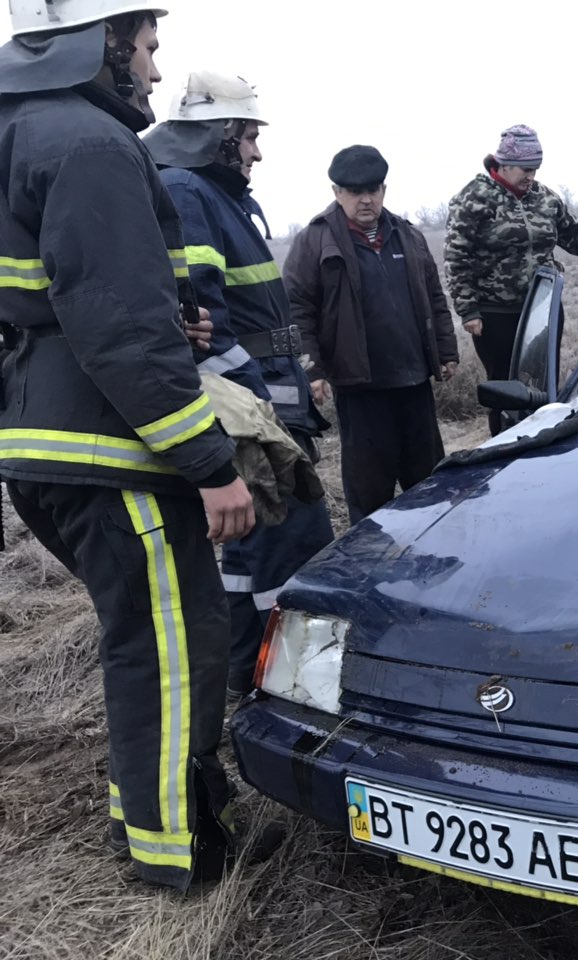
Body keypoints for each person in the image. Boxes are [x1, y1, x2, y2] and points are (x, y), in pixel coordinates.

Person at [0, 1, 256, 890]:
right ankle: (179, 855)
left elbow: (52, 302)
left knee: (138, 644)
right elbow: (115, 327)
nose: (153, 72)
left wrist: (157, 319)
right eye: (147, 48)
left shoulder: (18, 133)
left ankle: (144, 813)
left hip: (44, 444)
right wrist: (211, 466)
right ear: (101, 42)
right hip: (116, 453)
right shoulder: (91, 143)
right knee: (175, 651)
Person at [143, 71, 334, 696]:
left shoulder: (213, 191)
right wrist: (261, 408)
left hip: (269, 389)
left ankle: (242, 671)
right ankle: (297, 682)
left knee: (252, 553)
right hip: (252, 403)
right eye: (249, 136)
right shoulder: (189, 192)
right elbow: (203, 322)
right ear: (223, 135)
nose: (257, 150)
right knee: (294, 544)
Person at [284, 145, 459, 524]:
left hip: (414, 381)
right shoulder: (314, 240)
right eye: (354, 191)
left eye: (373, 189)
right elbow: (298, 311)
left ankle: (436, 557)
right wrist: (311, 370)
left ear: (384, 190)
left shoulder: (407, 235)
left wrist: (446, 351)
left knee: (430, 484)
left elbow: (434, 297)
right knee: (370, 492)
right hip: (360, 386)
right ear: (337, 192)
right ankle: (372, 566)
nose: (366, 199)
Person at [445, 124, 578, 435]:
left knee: (543, 384)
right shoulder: (473, 198)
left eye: (535, 169)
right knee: (505, 390)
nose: (531, 177)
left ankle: (544, 442)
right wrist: (468, 309)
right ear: (504, 164)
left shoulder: (545, 198)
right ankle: (505, 450)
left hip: (542, 310)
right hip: (496, 314)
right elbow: (457, 257)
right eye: (525, 169)